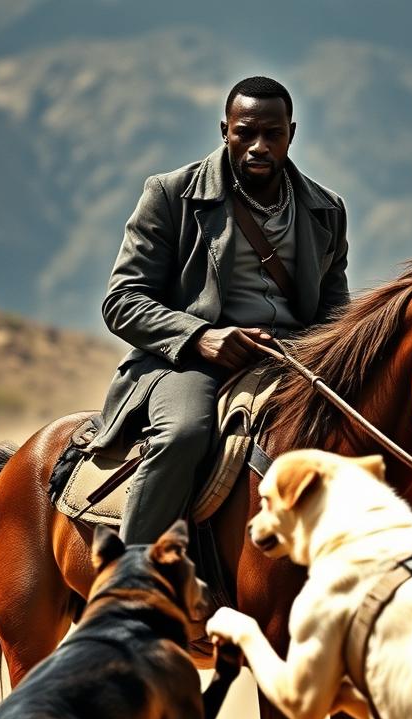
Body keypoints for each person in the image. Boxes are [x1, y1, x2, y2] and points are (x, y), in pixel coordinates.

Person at [94, 75, 350, 546]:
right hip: (195, 360)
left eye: (272, 134)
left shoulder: (326, 210)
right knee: (184, 436)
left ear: (291, 133)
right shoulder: (172, 195)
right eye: (244, 132)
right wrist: (200, 337)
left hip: (299, 362)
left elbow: (335, 312)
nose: (258, 146)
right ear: (224, 129)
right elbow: (122, 300)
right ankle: (131, 579)